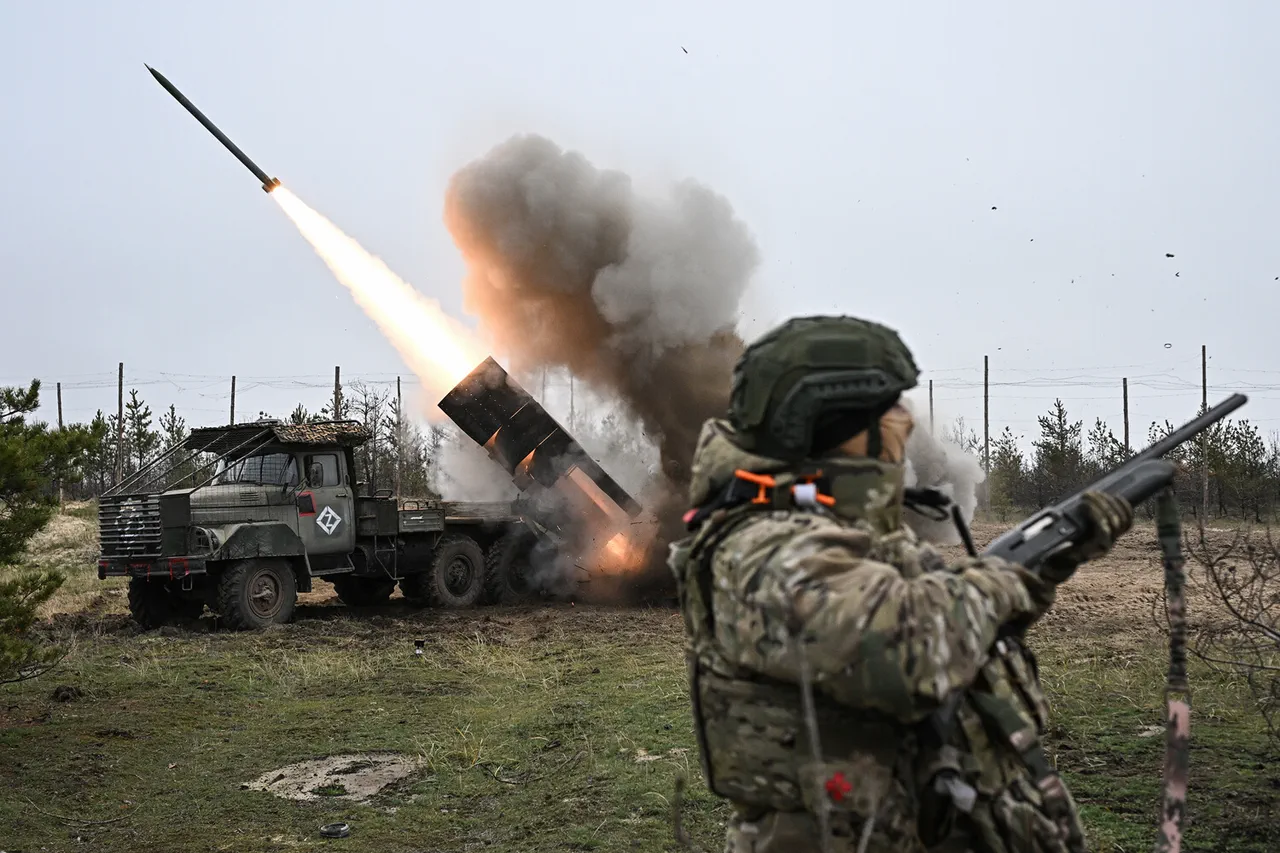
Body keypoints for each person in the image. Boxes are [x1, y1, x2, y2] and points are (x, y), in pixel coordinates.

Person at [668, 315, 1133, 853]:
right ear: (835, 423)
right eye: (889, 406)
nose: (907, 421)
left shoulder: (850, 531)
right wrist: (1002, 581)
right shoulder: (765, 548)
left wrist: (1043, 566)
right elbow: (906, 651)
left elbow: (960, 629)